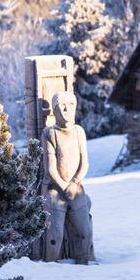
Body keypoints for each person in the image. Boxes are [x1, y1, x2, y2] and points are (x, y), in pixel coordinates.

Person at [41, 91, 96, 263]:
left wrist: (74, 184)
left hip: (76, 190)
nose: (67, 109)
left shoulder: (79, 132)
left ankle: (84, 262)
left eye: (71, 104)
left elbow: (84, 164)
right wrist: (64, 187)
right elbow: (50, 168)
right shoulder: (50, 133)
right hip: (55, 191)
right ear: (55, 110)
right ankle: (52, 264)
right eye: (62, 105)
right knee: (55, 234)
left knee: (84, 232)